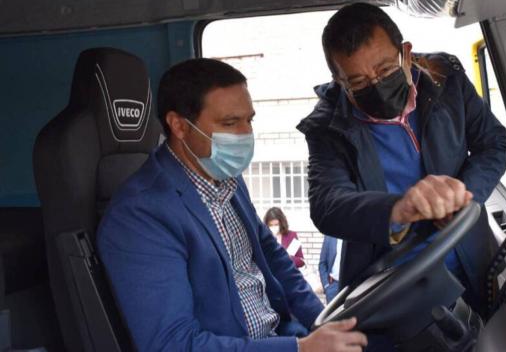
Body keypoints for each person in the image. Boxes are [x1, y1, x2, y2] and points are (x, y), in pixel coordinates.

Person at [97, 58, 368, 351]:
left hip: (281, 333)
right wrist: (299, 349)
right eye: (229, 123)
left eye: (248, 120)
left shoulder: (228, 179)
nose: (245, 134)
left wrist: (323, 320)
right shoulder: (141, 215)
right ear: (179, 125)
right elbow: (172, 344)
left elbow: (273, 258)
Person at [297, 2, 506, 325]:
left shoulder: (445, 80)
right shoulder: (327, 126)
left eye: (384, 70)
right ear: (338, 80)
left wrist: (463, 195)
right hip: (390, 288)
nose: (376, 86)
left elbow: (494, 144)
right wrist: (398, 209)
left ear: (406, 53)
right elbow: (327, 204)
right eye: (357, 81)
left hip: (471, 265)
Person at [318, 236, 342, 303]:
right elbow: (322, 263)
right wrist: (326, 285)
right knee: (333, 313)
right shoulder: (330, 236)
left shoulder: (355, 234)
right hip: (333, 286)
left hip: (351, 287)